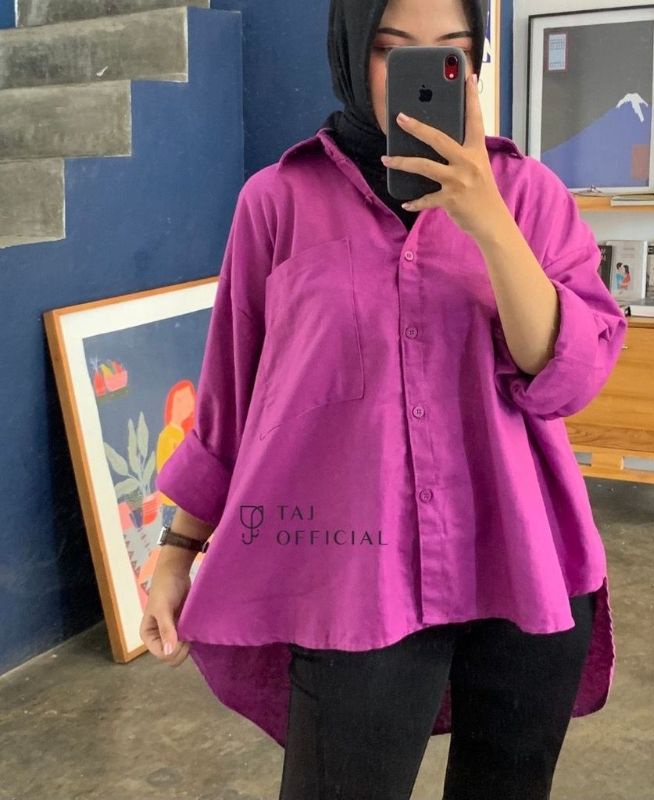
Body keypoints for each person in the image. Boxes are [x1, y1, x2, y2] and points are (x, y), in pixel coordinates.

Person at [140, 0, 627, 797]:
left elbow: (569, 378)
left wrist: (489, 221)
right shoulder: (277, 202)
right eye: (391, 50)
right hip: (352, 576)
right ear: (348, 50)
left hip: (526, 567)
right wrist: (176, 551)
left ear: (476, 63)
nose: (421, 75)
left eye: (451, 53)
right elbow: (231, 402)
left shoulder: (530, 197)